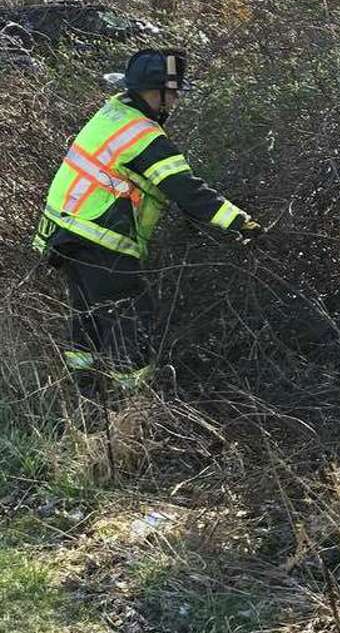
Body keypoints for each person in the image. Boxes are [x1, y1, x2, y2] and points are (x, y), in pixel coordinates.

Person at [33, 49, 263, 389]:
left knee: (88, 315)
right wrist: (240, 222)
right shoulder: (144, 136)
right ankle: (132, 400)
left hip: (62, 232)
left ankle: (86, 395)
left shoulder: (114, 113)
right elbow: (188, 190)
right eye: (173, 94)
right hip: (98, 235)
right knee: (133, 314)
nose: (176, 101)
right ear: (156, 93)